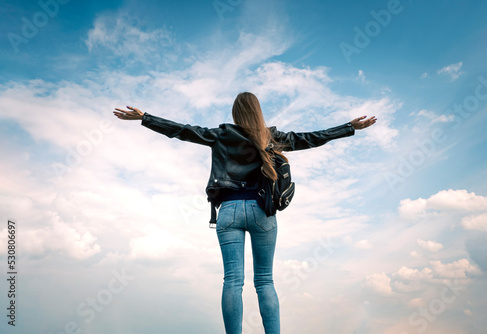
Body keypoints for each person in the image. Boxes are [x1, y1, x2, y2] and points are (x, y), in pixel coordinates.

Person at [113, 92, 376, 334]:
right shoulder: (271, 136)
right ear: (258, 112)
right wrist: (349, 127)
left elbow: (182, 131)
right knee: (264, 281)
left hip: (229, 212)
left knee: (232, 281)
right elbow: (311, 138)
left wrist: (145, 118)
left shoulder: (221, 134)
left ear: (235, 114)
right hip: (263, 212)